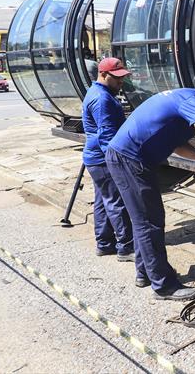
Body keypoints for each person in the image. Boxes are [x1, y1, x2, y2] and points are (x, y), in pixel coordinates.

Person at [105, 88, 195, 301]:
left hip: (130, 158)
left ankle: (145, 273)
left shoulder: (186, 101)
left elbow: (178, 146)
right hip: (130, 159)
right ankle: (164, 286)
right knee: (149, 222)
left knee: (146, 220)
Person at [81, 58, 135, 263]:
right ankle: (126, 247)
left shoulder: (98, 93)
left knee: (103, 201)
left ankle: (104, 244)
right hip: (103, 159)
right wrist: (118, 162)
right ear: (103, 75)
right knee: (117, 202)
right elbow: (107, 137)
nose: (121, 82)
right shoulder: (102, 99)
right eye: (117, 78)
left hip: (95, 158)